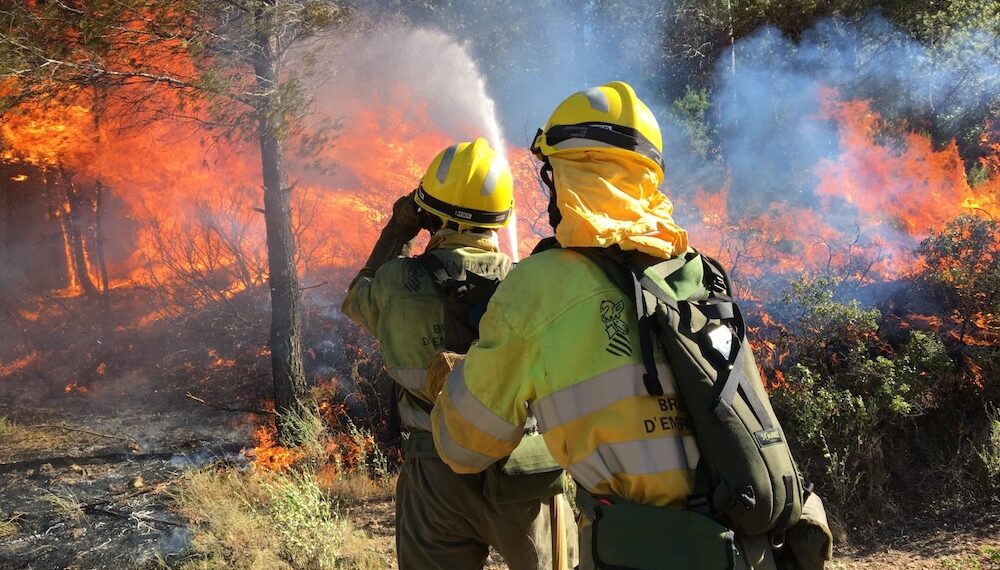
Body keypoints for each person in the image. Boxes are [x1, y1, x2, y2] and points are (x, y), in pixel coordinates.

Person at [430, 83, 817, 569]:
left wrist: (456, 379)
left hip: (644, 552)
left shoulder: (541, 286)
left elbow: (465, 446)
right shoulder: (702, 272)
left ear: (561, 176)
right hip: (753, 550)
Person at [342, 138, 574, 570]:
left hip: (434, 467)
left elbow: (357, 296)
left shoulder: (394, 283)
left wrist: (397, 230)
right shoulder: (532, 284)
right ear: (502, 218)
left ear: (429, 212)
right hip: (522, 462)